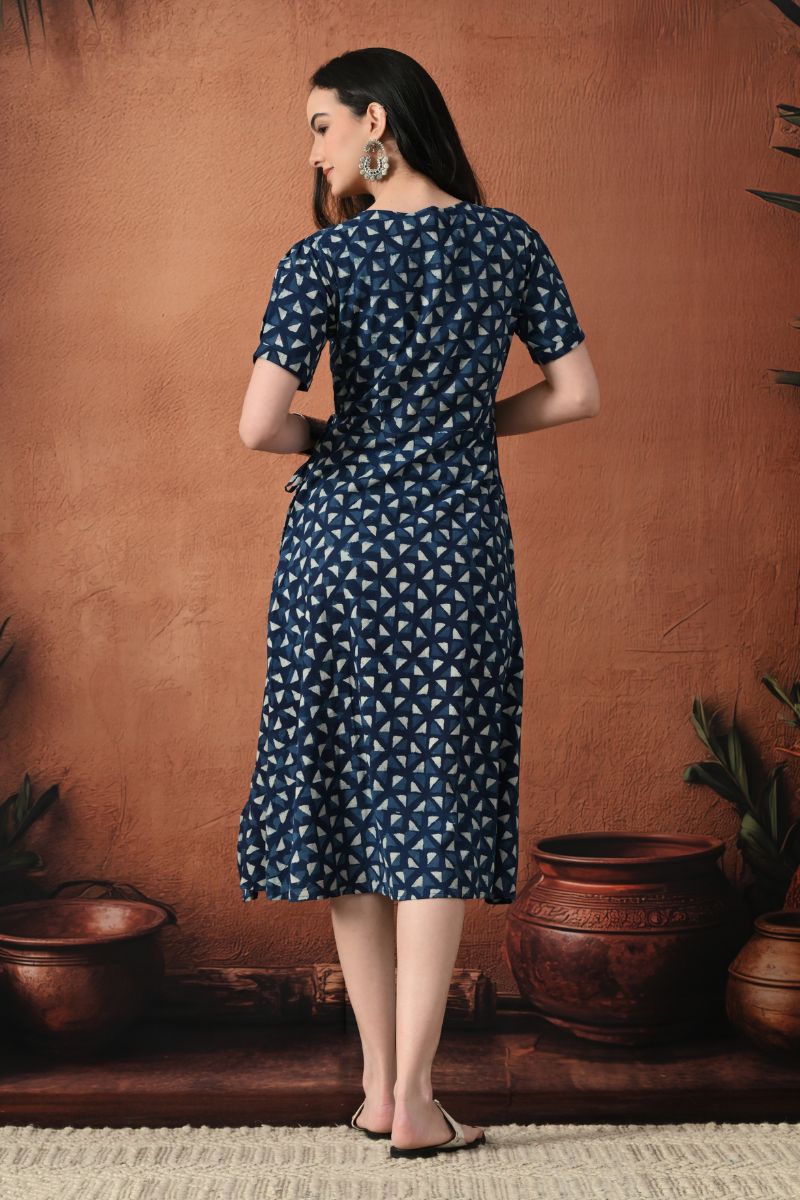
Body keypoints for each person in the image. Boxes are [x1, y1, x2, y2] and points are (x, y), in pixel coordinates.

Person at [236, 47, 600, 1158]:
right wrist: (462, 426)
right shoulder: (510, 242)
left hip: (339, 556)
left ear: (376, 121)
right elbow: (576, 393)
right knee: (436, 797)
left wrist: (343, 437)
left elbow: (258, 426)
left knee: (350, 801)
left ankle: (373, 1090)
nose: (314, 150)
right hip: (455, 554)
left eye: (321, 126)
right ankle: (416, 1097)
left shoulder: (320, 259)